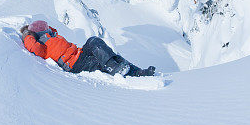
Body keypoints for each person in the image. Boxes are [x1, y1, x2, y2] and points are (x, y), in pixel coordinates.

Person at [20, 20, 155, 77]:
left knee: (106, 52)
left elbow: (52, 30)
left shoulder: (52, 36)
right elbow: (33, 47)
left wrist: (47, 29)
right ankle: (115, 69)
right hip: (74, 65)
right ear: (38, 33)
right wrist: (27, 34)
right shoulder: (40, 45)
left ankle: (139, 72)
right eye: (44, 28)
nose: (47, 28)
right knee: (97, 51)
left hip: (79, 55)